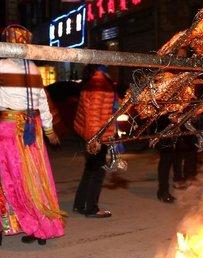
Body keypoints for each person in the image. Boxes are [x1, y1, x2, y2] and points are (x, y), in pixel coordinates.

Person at [0, 25, 65, 245]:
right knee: (37, 177)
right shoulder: (34, 68)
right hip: (33, 128)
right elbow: (42, 102)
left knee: (14, 179)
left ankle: (30, 223)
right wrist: (49, 129)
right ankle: (42, 227)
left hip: (9, 129)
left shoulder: (1, 66)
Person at [73, 64, 117, 218]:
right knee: (97, 171)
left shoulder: (95, 79)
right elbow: (93, 114)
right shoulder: (100, 82)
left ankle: (79, 204)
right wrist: (95, 138)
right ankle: (91, 208)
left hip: (94, 133)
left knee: (90, 169)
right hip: (98, 134)